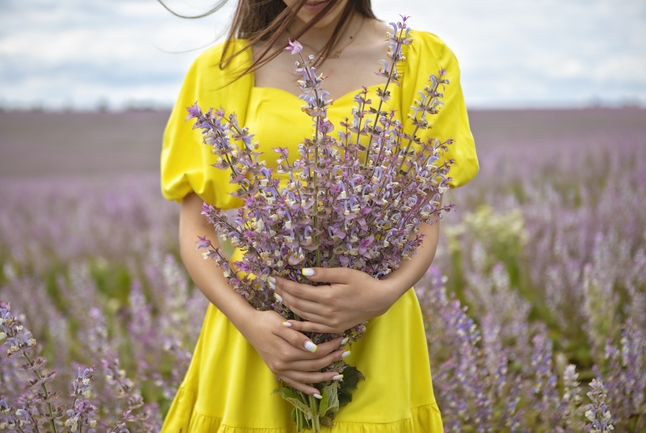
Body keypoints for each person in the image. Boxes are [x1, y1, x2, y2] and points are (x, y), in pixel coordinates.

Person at [159, 0, 479, 431]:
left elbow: (423, 217)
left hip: (376, 325)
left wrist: (384, 294)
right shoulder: (220, 71)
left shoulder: (420, 59)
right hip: (261, 325)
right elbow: (197, 227)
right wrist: (252, 323)